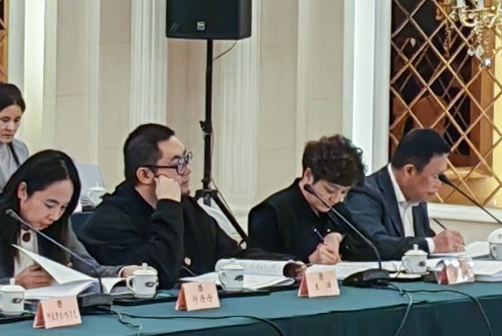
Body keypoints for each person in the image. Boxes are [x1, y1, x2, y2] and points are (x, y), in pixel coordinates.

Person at [76, 122, 234, 285]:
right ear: (145, 175)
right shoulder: (109, 222)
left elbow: (230, 253)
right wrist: (168, 206)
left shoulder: (186, 206)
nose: (187, 170)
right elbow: (160, 275)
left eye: (186, 160)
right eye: (178, 165)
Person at [0, 151, 95, 287]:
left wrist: (115, 274)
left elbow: (92, 270)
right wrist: (13, 284)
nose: (55, 216)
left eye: (63, 207)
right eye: (49, 205)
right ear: (23, 191)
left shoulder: (59, 225)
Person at [340, 127, 459, 259]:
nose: (439, 184)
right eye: (436, 176)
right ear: (409, 171)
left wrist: (448, 245)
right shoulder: (364, 193)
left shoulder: (417, 196)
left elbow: (422, 240)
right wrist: (431, 245)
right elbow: (373, 244)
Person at [243, 135, 364, 264]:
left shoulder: (338, 210)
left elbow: (368, 249)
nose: (336, 199)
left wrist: (337, 236)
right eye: (330, 190)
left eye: (344, 192)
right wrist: (308, 261)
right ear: (308, 176)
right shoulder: (270, 212)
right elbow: (260, 265)